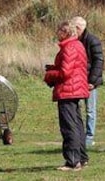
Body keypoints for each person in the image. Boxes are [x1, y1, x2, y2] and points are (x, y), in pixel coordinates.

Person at [44, 20, 90, 171]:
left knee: (69, 126)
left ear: (65, 32)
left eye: (59, 31)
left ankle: (72, 161)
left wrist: (50, 74)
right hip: (75, 89)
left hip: (68, 91)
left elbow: (65, 72)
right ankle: (81, 158)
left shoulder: (69, 47)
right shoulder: (77, 45)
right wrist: (53, 67)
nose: (57, 34)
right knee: (77, 125)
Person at [72, 16, 103, 147]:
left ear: (78, 28)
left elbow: (98, 62)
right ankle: (78, 136)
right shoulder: (74, 41)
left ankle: (89, 138)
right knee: (76, 109)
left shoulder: (92, 40)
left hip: (89, 82)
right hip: (77, 80)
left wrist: (92, 81)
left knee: (90, 110)